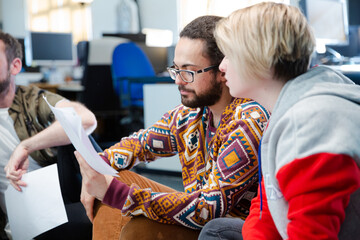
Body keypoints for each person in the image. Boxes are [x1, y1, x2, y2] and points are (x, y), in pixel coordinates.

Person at [74, 15, 270, 240]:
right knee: (114, 178)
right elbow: (139, 144)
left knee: (135, 225)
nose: (178, 80)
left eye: (189, 71)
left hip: (229, 229)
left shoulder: (249, 120)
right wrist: (96, 168)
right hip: (199, 214)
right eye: (175, 69)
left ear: (222, 71)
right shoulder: (192, 113)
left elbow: (209, 210)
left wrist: (121, 196)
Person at [199, 2, 360, 240]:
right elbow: (270, 201)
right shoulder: (290, 104)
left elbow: (312, 235)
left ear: (259, 59)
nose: (222, 67)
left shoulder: (310, 125)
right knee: (217, 230)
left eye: (229, 55)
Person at [0, 31, 97, 239]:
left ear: (14, 66)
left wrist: (25, 146)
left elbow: (86, 118)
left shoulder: (31, 100)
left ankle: (110, 197)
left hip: (56, 199)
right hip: (21, 217)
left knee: (72, 129)